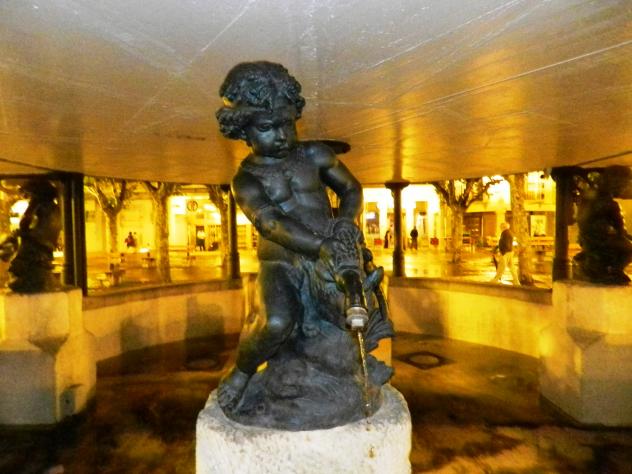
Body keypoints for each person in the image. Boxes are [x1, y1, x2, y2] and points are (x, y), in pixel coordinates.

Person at [215, 61, 384, 415]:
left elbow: (351, 189)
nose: (280, 135)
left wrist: (345, 223)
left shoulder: (314, 154)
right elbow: (271, 224)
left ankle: (344, 375)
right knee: (276, 321)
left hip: (329, 248)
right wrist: (319, 246)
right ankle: (242, 372)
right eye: (266, 127)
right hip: (281, 262)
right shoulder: (245, 180)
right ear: (244, 132)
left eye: (286, 123)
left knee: (360, 306)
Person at [0, 180, 61, 293]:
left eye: (29, 195)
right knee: (15, 265)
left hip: (37, 250)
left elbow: (38, 231)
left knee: (17, 266)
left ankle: (27, 278)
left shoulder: (45, 208)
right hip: (37, 248)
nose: (27, 198)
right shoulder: (45, 207)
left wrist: (21, 233)